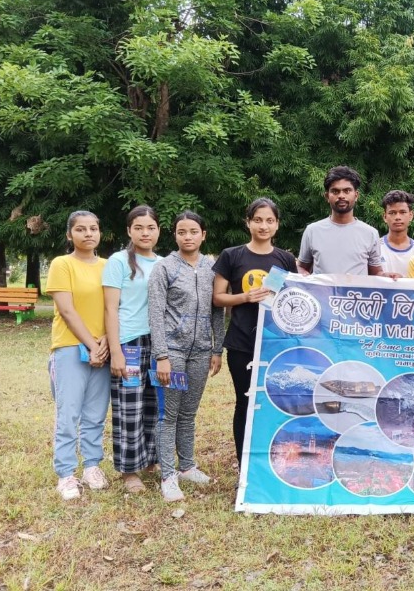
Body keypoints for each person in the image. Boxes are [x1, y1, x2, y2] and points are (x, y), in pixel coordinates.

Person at [213, 198, 298, 471]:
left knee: (275, 403)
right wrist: (245, 297)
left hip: (275, 344)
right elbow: (218, 298)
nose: (263, 226)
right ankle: (243, 461)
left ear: (277, 225)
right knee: (245, 402)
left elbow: (294, 297)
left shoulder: (284, 259)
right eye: (258, 220)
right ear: (247, 222)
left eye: (269, 220)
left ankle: (271, 461)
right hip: (241, 342)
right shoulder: (231, 255)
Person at [149, 211, 225, 502]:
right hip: (173, 352)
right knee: (169, 414)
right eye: (182, 232)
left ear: (203, 235)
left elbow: (218, 309)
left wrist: (217, 349)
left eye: (193, 231)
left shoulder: (212, 267)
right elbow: (156, 313)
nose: (188, 237)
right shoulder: (164, 268)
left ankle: (187, 466)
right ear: (175, 236)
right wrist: (162, 355)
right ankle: (168, 475)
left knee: (189, 413)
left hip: (202, 351)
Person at [46, 210, 110, 500]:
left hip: (105, 346)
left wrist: (106, 340)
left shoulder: (110, 266)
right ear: (69, 234)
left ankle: (92, 466)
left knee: (95, 413)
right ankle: (66, 473)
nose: (88, 234)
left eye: (93, 228)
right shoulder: (62, 264)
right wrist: (91, 345)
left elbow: (116, 308)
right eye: (81, 229)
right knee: (69, 412)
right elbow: (67, 310)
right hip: (71, 347)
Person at [103, 205, 162, 494]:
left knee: (154, 405)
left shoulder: (164, 263)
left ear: (158, 231)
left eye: (150, 227)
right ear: (129, 230)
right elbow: (110, 309)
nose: (145, 232)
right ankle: (129, 470)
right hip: (130, 343)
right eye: (138, 227)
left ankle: (150, 460)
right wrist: (116, 351)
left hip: (159, 343)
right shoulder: (118, 261)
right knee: (129, 407)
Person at [297, 166, 384, 276]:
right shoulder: (312, 231)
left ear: (356, 195)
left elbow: (376, 274)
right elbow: (301, 267)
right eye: (335, 191)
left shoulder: (370, 233)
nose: (341, 196)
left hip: (355, 293)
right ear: (327, 196)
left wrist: (389, 278)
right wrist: (303, 274)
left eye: (347, 191)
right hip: (320, 293)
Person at [379, 190, 414, 277]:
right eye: (392, 213)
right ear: (385, 217)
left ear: (411, 215)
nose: (397, 217)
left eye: (402, 212)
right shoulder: (374, 249)